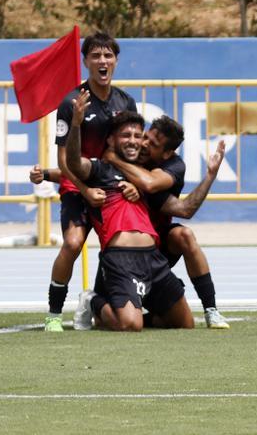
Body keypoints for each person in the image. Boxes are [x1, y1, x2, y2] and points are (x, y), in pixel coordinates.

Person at [28, 31, 138, 332]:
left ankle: (101, 301)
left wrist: (131, 183)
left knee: (121, 247)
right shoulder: (71, 103)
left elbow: (131, 151)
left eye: (108, 55)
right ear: (86, 61)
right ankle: (53, 313)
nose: (103, 61)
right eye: (96, 56)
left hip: (112, 186)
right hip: (78, 185)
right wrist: (85, 188)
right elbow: (64, 160)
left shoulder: (126, 101)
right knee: (74, 243)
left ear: (115, 61)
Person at [65, 94, 193, 332]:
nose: (135, 141)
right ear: (111, 141)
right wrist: (75, 125)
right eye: (126, 136)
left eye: (138, 136)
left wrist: (210, 175)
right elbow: (72, 164)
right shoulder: (100, 168)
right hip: (120, 259)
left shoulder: (145, 174)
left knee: (184, 324)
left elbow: (178, 204)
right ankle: (92, 300)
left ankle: (130, 310)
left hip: (153, 259)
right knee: (129, 325)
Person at [103, 116, 230, 328]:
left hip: (157, 248)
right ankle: (96, 302)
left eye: (153, 144)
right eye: (146, 137)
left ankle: (211, 310)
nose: (142, 144)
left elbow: (178, 204)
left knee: (184, 236)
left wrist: (210, 175)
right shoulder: (130, 152)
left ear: (166, 154)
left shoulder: (173, 166)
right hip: (124, 251)